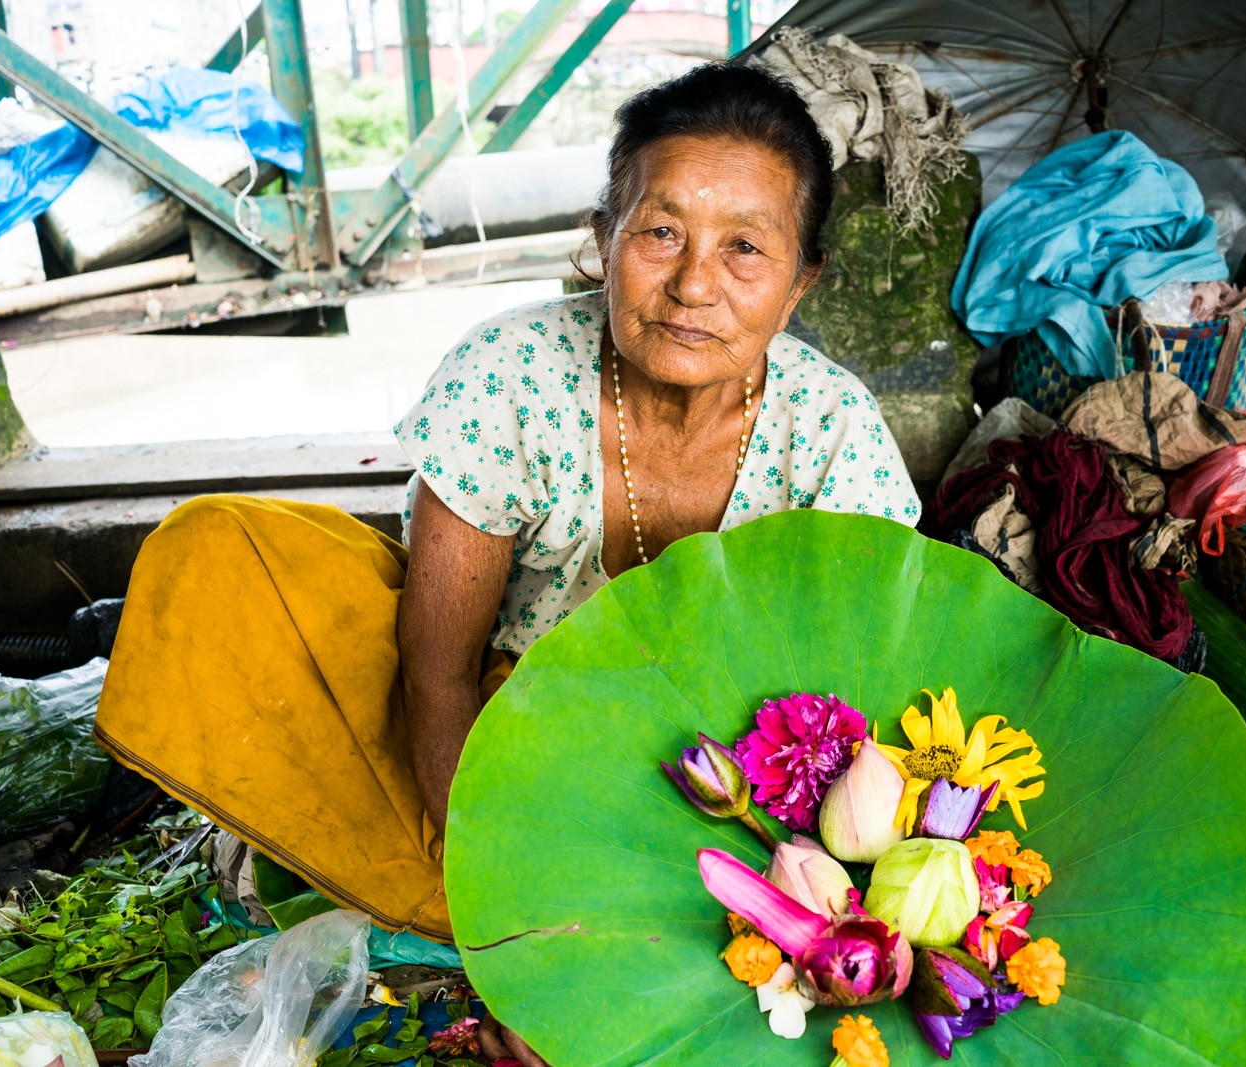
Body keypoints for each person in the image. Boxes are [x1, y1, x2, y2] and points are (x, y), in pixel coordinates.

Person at [94, 61, 919, 1064]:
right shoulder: (509, 378)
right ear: (601, 238)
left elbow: (851, 719)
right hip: (497, 733)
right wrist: (499, 906)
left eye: (745, 247)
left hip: (717, 772)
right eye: (659, 231)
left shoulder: (832, 434)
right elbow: (436, 668)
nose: (694, 283)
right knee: (227, 559)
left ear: (801, 282)